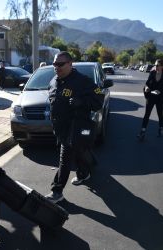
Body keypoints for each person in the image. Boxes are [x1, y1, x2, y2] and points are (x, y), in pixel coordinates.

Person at [45, 51, 104, 203]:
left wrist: (81, 102)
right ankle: (85, 172)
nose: (56, 67)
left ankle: (57, 191)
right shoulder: (53, 80)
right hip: (60, 127)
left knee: (64, 159)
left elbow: (98, 101)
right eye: (54, 64)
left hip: (76, 126)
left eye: (60, 64)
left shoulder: (83, 81)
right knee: (80, 151)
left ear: (70, 64)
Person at [137, 59, 163, 140]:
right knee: (147, 114)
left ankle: (160, 128)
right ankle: (142, 131)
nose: (155, 66)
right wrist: (147, 88)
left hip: (160, 98)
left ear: (162, 66)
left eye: (157, 65)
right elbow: (147, 83)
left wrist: (160, 91)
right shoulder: (152, 72)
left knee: (160, 113)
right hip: (151, 96)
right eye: (155, 65)